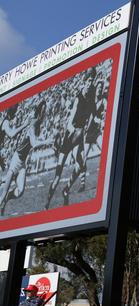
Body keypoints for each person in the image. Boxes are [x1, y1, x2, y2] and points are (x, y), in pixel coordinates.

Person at [45, 69, 97, 209]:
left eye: (92, 81)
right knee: (57, 174)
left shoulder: (91, 100)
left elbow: (92, 116)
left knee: (80, 166)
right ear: (84, 82)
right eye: (88, 81)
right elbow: (69, 121)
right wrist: (73, 129)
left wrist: (87, 127)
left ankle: (66, 189)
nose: (90, 84)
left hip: (79, 137)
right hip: (69, 137)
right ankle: (47, 203)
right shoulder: (78, 98)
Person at [0, 101, 52, 215]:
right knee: (2, 195)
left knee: (20, 191)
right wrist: (47, 141)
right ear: (39, 112)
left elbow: (31, 143)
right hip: (15, 160)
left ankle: (8, 198)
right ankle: (4, 200)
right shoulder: (32, 124)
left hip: (22, 162)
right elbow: (33, 143)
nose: (44, 113)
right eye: (42, 111)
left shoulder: (37, 124)